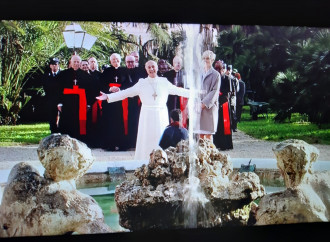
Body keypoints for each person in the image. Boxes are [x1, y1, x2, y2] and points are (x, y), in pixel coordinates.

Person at [96, 60, 190, 161]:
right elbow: (126, 93)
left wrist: (196, 93)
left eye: (153, 66)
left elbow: (178, 90)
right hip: (147, 114)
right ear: (146, 70)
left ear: (157, 68)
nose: (151, 69)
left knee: (161, 137)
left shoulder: (164, 82)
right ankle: (144, 160)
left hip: (161, 114)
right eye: (149, 67)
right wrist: (108, 97)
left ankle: (163, 160)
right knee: (146, 139)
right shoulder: (142, 83)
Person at [57, 54, 95, 143]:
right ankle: (66, 141)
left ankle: (80, 141)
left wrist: (89, 103)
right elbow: (58, 89)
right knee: (67, 121)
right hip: (67, 102)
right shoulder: (63, 74)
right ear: (71, 62)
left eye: (78, 62)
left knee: (79, 123)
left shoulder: (86, 75)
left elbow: (90, 91)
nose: (76, 63)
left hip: (81, 103)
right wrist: (59, 102)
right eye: (74, 61)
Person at [99, 53, 130, 151]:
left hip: (121, 100)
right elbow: (100, 84)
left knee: (121, 122)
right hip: (110, 101)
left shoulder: (125, 71)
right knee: (110, 122)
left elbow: (129, 84)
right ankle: (110, 144)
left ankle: (122, 144)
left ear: (120, 60)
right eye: (113, 60)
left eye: (117, 59)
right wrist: (109, 88)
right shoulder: (106, 71)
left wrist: (120, 89)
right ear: (110, 61)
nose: (115, 62)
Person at [194, 50, 220, 142]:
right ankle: (201, 154)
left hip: (209, 108)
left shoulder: (216, 75)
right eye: (204, 58)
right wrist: (196, 102)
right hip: (198, 107)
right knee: (200, 135)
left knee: (208, 135)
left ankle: (209, 154)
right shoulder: (198, 73)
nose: (205, 60)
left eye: (208, 58)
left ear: (212, 60)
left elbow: (215, 91)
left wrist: (204, 103)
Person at [213, 60, 233, 150]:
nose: (218, 70)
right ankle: (217, 143)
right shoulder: (214, 78)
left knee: (224, 125)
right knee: (216, 124)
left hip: (224, 103)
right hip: (215, 104)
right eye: (216, 69)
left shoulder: (227, 78)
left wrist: (220, 95)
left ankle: (226, 144)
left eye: (219, 69)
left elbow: (228, 92)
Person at [164, 56, 188, 126]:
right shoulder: (167, 74)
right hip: (171, 99)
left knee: (180, 115)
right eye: (177, 63)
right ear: (173, 63)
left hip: (181, 99)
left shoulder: (184, 74)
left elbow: (186, 87)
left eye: (180, 63)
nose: (178, 64)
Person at [42, 57, 61, 133]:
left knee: (61, 119)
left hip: (61, 100)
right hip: (51, 100)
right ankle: (53, 134)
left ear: (58, 65)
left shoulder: (63, 75)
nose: (54, 66)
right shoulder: (46, 76)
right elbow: (46, 88)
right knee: (52, 119)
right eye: (52, 64)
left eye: (56, 64)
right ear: (50, 66)